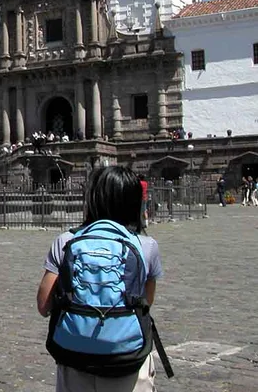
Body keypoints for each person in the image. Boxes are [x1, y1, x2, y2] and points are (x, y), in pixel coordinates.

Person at [36, 166, 164, 391]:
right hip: (127, 358)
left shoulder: (65, 241)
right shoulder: (146, 246)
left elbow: (43, 305)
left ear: (93, 199)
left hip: (75, 357)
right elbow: (145, 302)